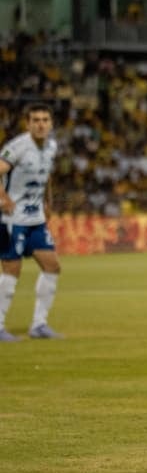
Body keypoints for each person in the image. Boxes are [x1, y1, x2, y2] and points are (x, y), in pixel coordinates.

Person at [0, 103, 63, 341]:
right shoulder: (17, 147)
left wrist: (48, 202)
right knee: (11, 271)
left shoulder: (51, 147)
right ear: (27, 124)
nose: (41, 124)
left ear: (51, 124)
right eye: (35, 120)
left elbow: (46, 176)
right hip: (11, 220)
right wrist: (3, 198)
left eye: (45, 120)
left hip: (35, 220)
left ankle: (39, 325)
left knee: (52, 266)